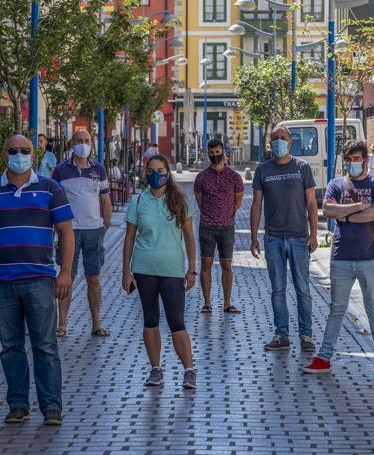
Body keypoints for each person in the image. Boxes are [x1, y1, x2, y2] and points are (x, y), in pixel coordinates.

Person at [0, 134, 75, 426]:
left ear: (34, 153)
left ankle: (51, 408)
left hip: (39, 280)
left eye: (25, 150)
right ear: (4, 155)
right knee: (11, 347)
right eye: (13, 150)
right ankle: (17, 406)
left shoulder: (51, 189)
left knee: (45, 346)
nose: (19, 155)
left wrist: (65, 272)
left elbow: (65, 231)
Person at [302, 140, 374, 376]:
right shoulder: (336, 184)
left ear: (365, 160)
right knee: (337, 309)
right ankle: (324, 358)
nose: (353, 163)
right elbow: (328, 210)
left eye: (357, 159)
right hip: (342, 257)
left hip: (370, 257)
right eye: (349, 159)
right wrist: (357, 208)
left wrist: (344, 215)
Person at [122, 154, 197, 389]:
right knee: (150, 320)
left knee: (176, 321)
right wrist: (126, 271)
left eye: (161, 170)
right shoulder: (138, 201)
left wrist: (192, 269)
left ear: (168, 173)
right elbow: (129, 238)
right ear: (146, 172)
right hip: (144, 270)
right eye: (152, 170)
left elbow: (189, 237)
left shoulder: (179, 201)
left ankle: (189, 369)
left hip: (172, 271)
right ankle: (155, 369)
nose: (157, 175)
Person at [250, 126, 318, 352]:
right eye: (275, 139)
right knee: (278, 289)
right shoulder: (263, 170)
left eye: (283, 138)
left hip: (299, 237)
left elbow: (311, 202)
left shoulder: (302, 167)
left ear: (290, 143)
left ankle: (306, 335)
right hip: (273, 238)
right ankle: (282, 334)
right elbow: (257, 205)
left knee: (303, 289)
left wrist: (314, 234)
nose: (279, 142)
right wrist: (253, 237)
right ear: (270, 144)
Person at [52, 129, 112, 338]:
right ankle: (62, 324)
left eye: (87, 140)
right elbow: (55, 201)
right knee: (66, 276)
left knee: (93, 278)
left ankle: (96, 324)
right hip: (69, 232)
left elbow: (105, 199)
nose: (83, 144)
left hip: (94, 231)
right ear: (71, 143)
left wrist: (105, 225)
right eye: (79, 140)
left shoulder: (99, 169)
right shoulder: (60, 171)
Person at [194, 138, 244, 314]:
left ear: (224, 152)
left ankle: (227, 303)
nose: (215, 156)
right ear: (208, 154)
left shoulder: (234, 177)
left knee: (227, 266)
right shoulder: (201, 178)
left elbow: (238, 201)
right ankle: (207, 303)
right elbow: (200, 201)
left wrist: (226, 213)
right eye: (211, 153)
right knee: (206, 264)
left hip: (227, 227)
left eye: (217, 152)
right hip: (206, 226)